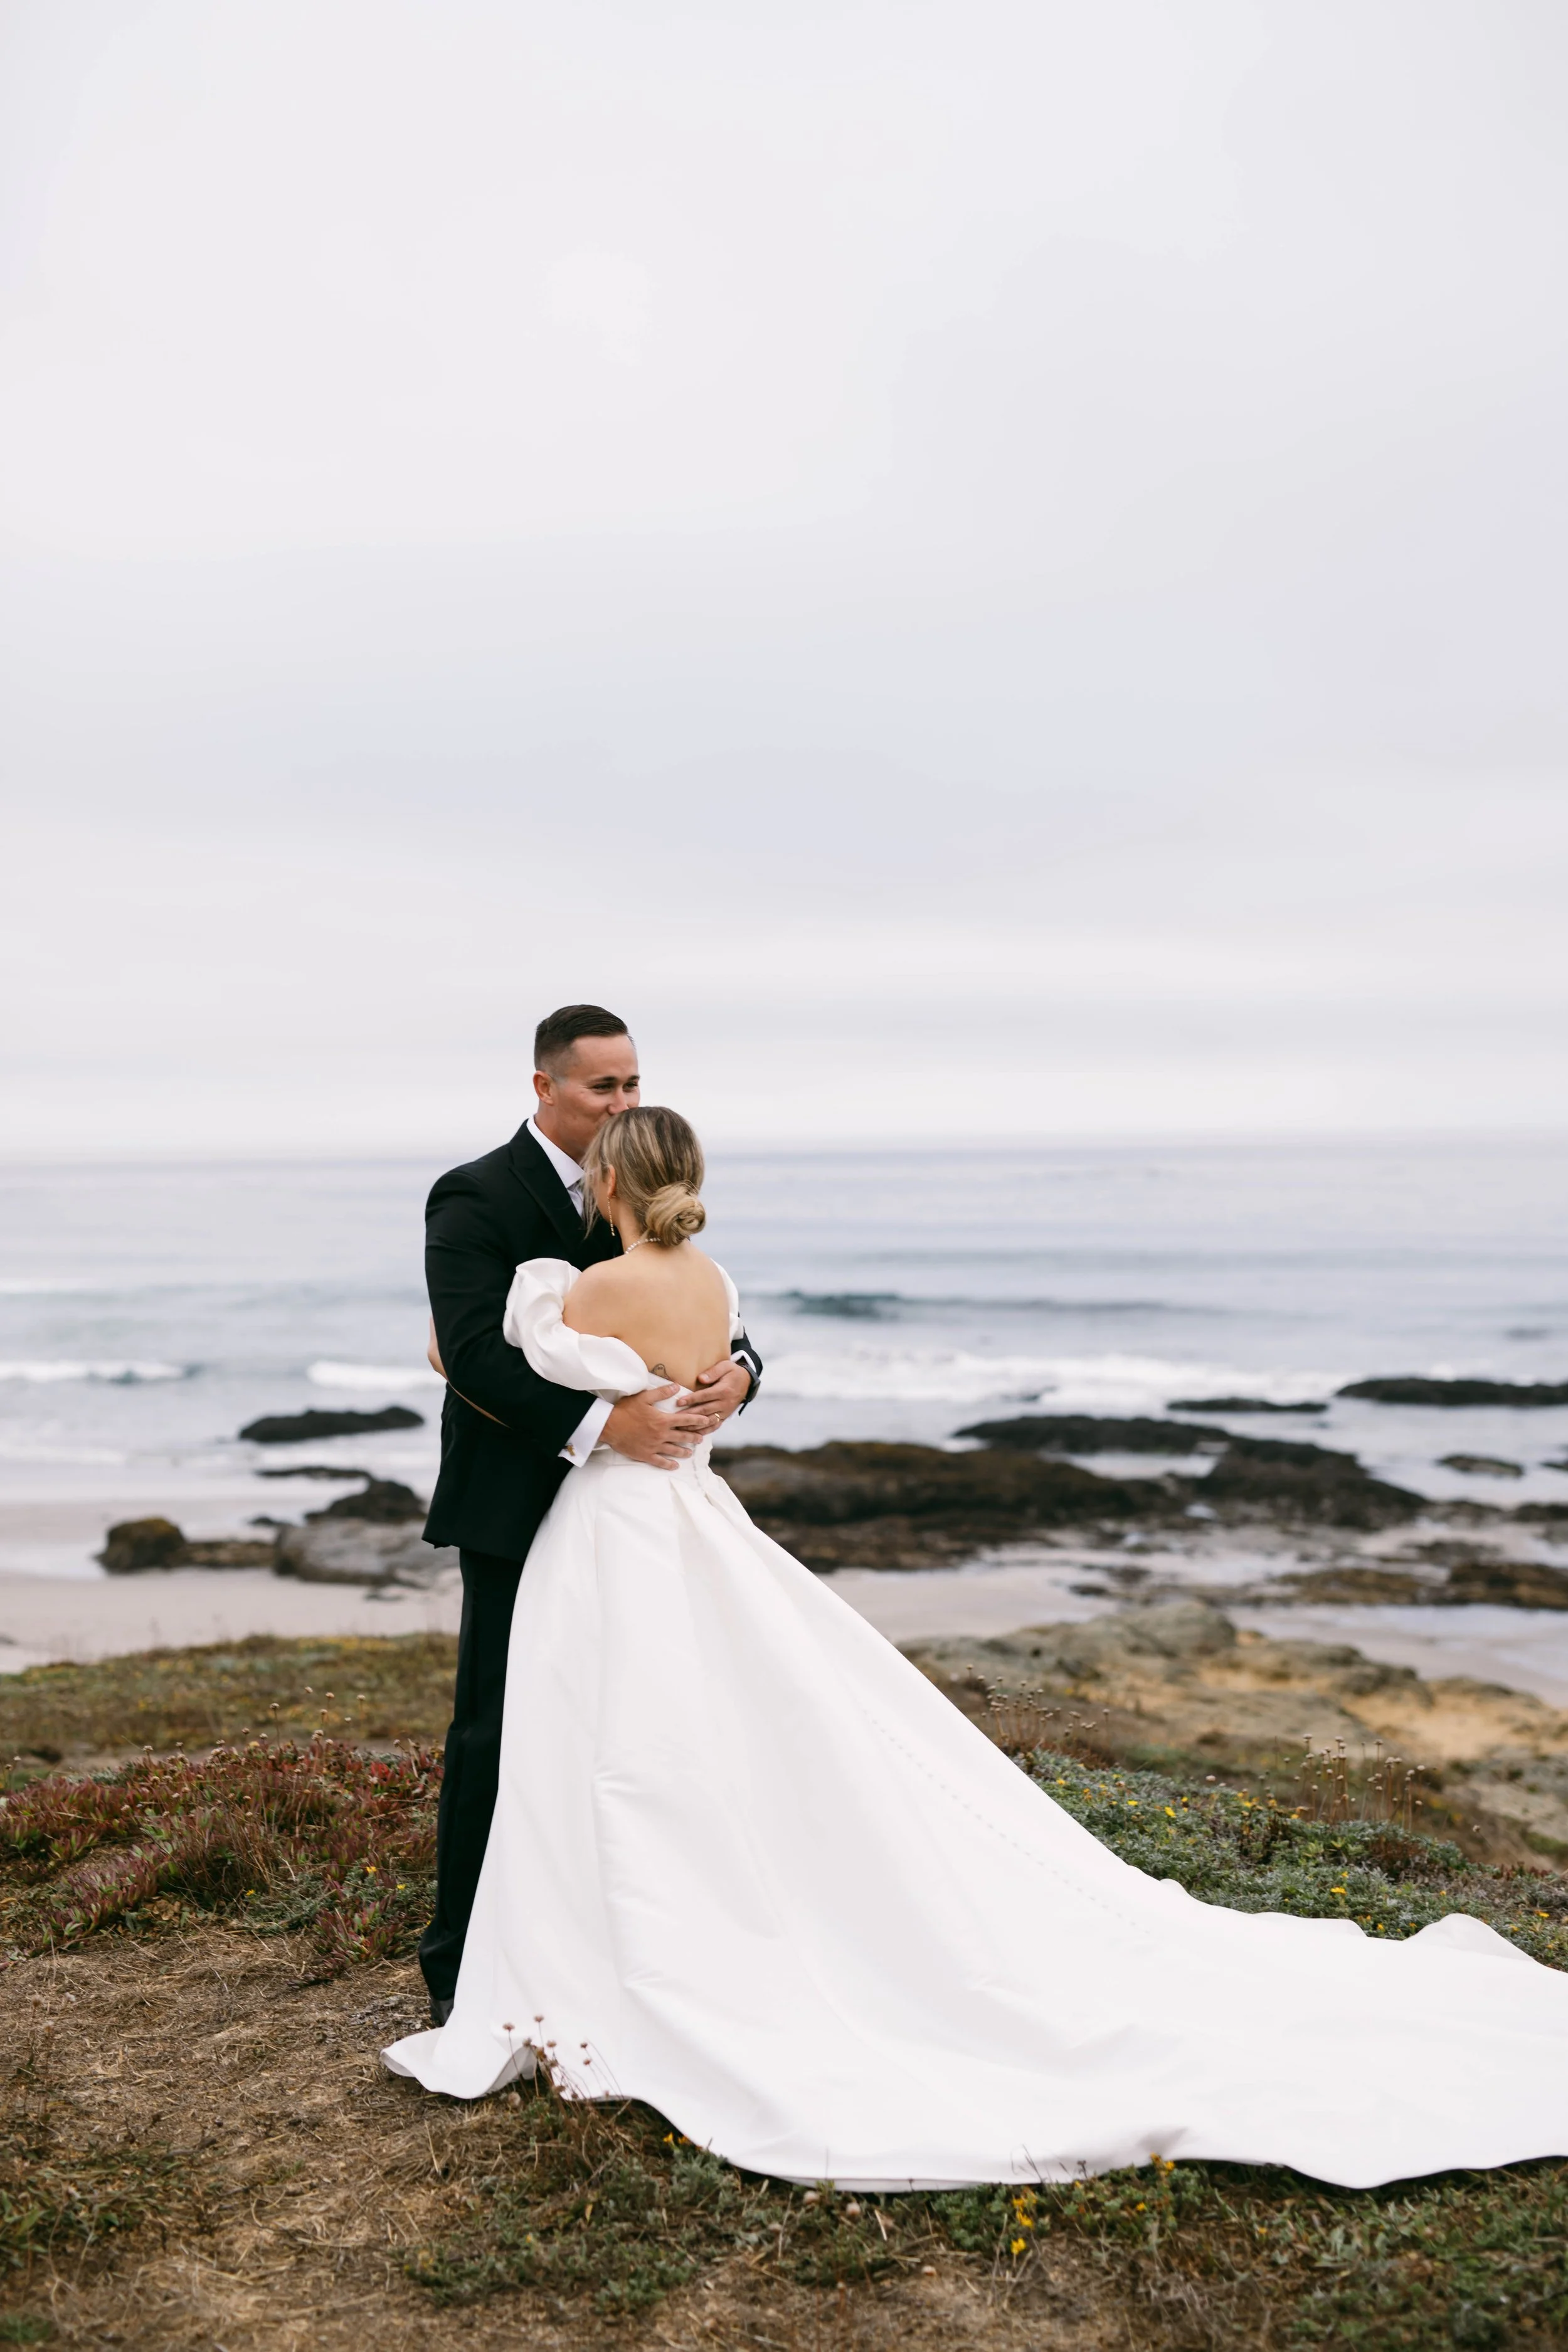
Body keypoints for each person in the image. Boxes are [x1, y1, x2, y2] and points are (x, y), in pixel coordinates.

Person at [389, 1106, 1568, 2191]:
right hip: (700, 1515)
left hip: (615, 1527)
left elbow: (480, 1354)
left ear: (609, 1182)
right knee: (703, 1723)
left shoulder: (589, 1287)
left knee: (601, 1728)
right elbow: (728, 1361)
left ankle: (601, 1949)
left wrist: (494, 1333)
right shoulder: (716, 1281)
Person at [416, 1009, 762, 2021]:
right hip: (517, 1502)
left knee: (649, 1726)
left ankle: (627, 1949)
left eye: (633, 1083)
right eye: (603, 1086)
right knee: (498, 1729)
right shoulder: (475, 1193)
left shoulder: (648, 1182)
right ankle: (464, 1968)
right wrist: (605, 1424)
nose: (623, 1101)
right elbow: (470, 1353)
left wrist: (743, 1377)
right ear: (545, 1088)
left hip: (645, 1516)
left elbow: (721, 1318)